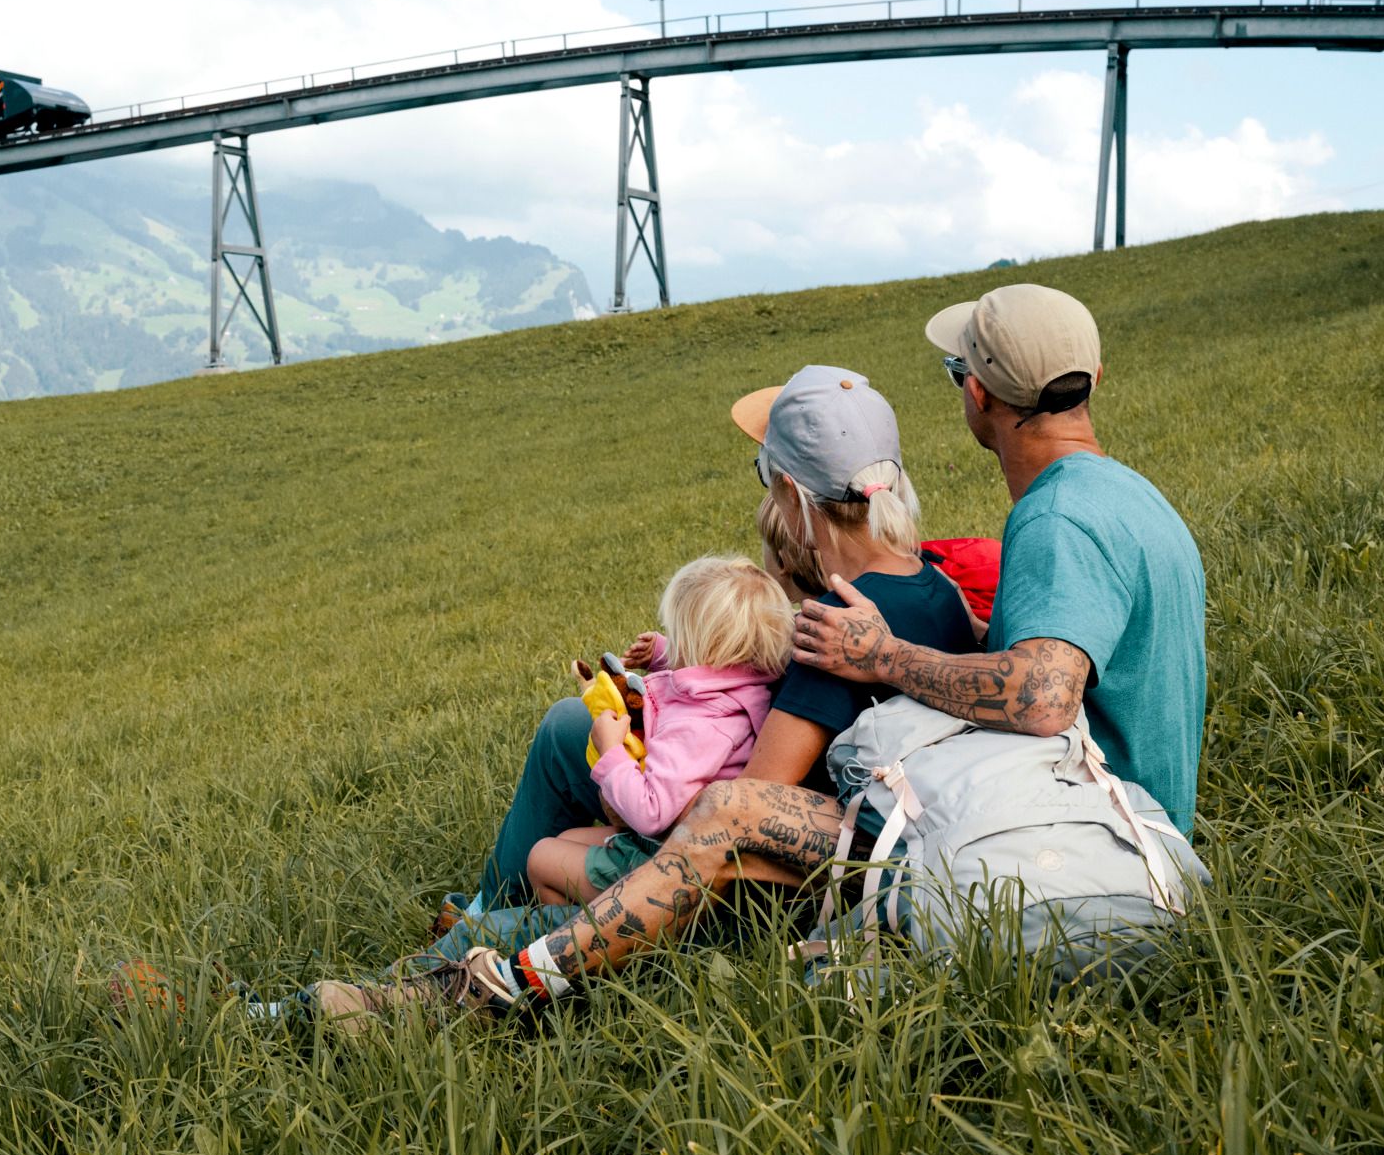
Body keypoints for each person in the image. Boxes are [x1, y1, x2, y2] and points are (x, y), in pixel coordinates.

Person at [402, 283, 1209, 1016]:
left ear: (976, 393)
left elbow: (1041, 698)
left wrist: (877, 655)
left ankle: (490, 970)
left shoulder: (1053, 521)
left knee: (588, 795)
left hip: (1063, 836)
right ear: (1094, 375)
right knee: (578, 817)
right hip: (1090, 821)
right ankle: (481, 952)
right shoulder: (1124, 496)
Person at [315, 363, 978, 1023]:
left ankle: (409, 981)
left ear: (787, 488)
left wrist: (628, 757)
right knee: (566, 727)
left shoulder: (832, 633)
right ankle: (481, 921)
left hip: (762, 893)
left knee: (564, 804)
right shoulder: (935, 588)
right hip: (858, 841)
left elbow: (734, 817)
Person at [526, 556, 794, 906]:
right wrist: (666, 654)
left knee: (542, 857)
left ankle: (590, 942)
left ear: (703, 645)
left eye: (679, 634)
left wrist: (611, 753)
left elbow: (651, 812)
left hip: (666, 862)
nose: (674, 638)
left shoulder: (701, 727)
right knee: (568, 837)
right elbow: (716, 671)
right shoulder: (745, 687)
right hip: (682, 843)